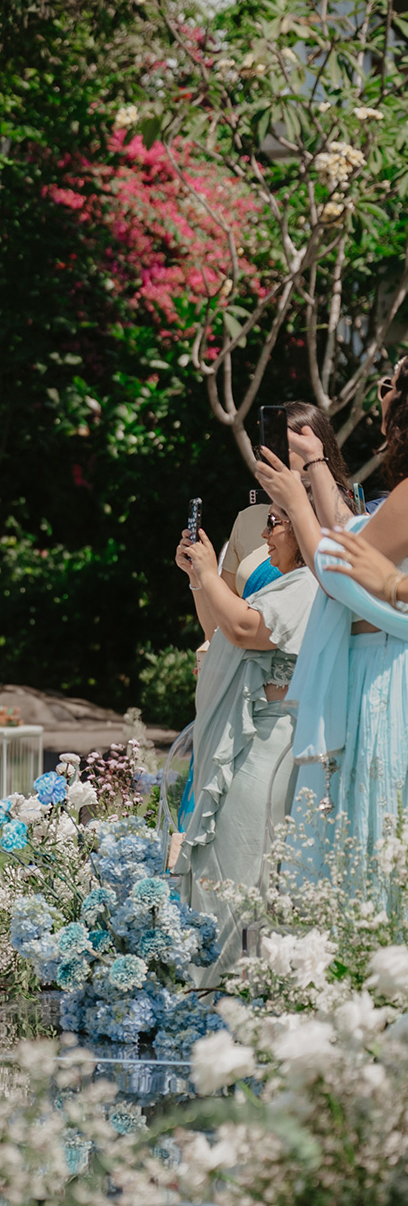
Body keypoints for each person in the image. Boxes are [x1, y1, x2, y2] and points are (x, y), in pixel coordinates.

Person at [256, 363, 408, 892]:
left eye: (390, 384)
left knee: (370, 833)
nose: (380, 393)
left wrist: (296, 503)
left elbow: (339, 572)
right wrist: (317, 462)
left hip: (383, 669)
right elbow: (350, 538)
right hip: (373, 661)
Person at [175, 507, 317, 976]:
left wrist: (212, 570)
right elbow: (219, 633)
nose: (265, 533)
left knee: (238, 867)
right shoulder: (284, 583)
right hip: (245, 739)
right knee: (222, 864)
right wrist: (201, 581)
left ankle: (231, 990)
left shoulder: (310, 585)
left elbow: (243, 628)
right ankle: (213, 990)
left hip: (271, 745)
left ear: (301, 524)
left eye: (275, 522)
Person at [219, 403, 353, 595]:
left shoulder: (344, 514)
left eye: (284, 447)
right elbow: (221, 621)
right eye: (266, 448)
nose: (273, 457)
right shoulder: (247, 519)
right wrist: (198, 579)